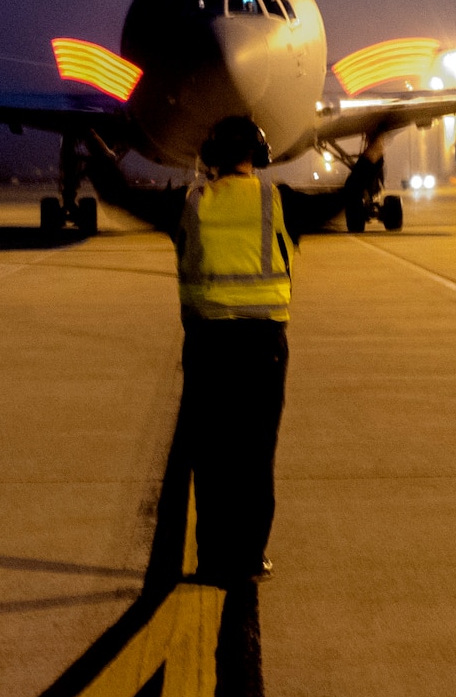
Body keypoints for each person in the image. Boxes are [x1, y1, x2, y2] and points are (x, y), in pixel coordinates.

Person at [85, 116, 387, 584]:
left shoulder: (187, 203)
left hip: (207, 345)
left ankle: (212, 559)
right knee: (254, 455)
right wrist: (372, 151)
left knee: (211, 456)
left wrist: (100, 152)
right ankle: (249, 557)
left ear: (209, 156)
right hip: (263, 347)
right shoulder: (278, 202)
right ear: (260, 156)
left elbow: (119, 196)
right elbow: (346, 200)